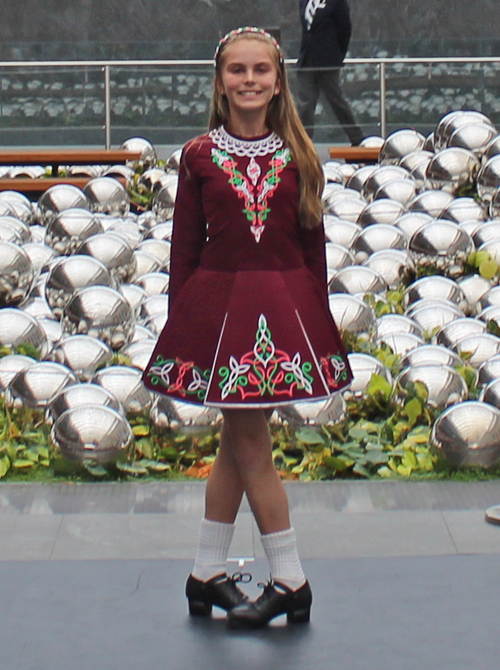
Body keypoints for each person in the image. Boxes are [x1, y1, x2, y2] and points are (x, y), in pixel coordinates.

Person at [142, 26, 352, 629]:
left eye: (261, 70)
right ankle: (291, 578)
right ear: (220, 81)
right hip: (220, 315)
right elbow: (185, 251)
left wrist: (316, 316)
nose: (250, 80)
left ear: (279, 80)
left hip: (283, 310)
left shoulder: (300, 155)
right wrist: (187, 326)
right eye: (238, 71)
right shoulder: (199, 157)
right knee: (251, 445)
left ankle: (207, 572)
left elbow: (313, 251)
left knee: (239, 446)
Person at [296, 0, 364, 145]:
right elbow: (307, 31)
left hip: (327, 60)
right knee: (304, 104)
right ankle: (302, 144)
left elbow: (345, 29)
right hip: (307, 59)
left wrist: (337, 55)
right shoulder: (304, 1)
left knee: (336, 100)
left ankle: (357, 138)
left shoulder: (336, 2)